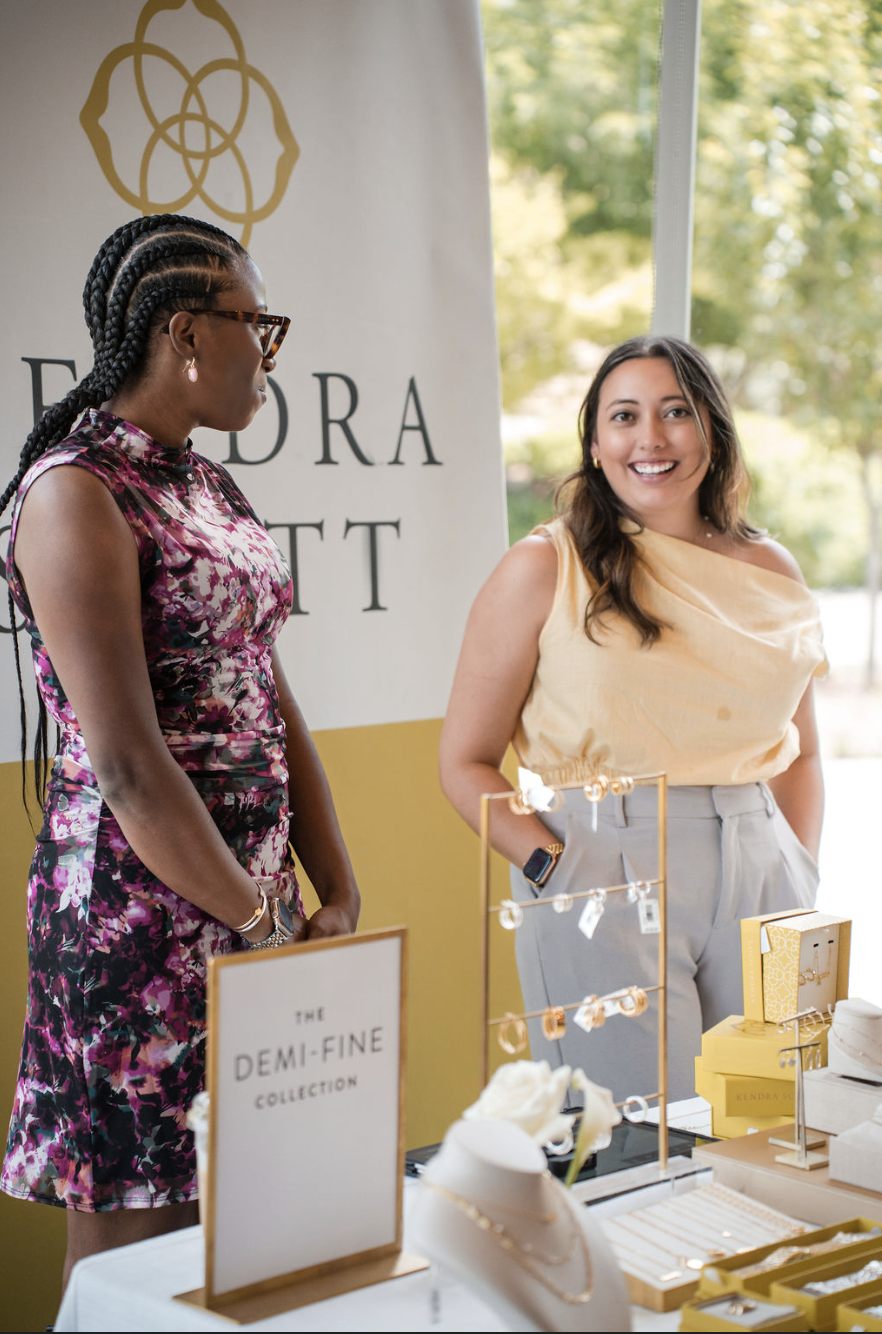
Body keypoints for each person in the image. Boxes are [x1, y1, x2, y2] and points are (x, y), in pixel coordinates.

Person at [0, 214, 360, 1286]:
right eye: (260, 325)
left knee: (245, 1239)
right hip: (136, 922)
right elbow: (126, 764)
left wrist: (326, 882)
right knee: (136, 1264)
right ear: (185, 331)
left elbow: (268, 693)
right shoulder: (76, 492)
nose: (270, 355)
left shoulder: (205, 484)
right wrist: (251, 917)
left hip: (248, 911)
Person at [439, 336, 825, 1103]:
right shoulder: (544, 567)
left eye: (675, 412)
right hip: (600, 862)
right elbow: (465, 761)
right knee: (627, 1137)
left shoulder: (772, 569)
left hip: (764, 867)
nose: (650, 438)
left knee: (775, 1118)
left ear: (711, 430)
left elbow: (802, 752)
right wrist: (554, 868)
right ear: (595, 442)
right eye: (625, 416)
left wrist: (798, 863)